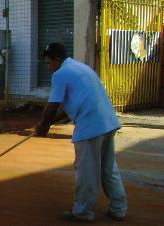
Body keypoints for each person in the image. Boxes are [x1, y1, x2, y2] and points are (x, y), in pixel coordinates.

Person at [35, 43, 127, 223]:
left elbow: (53, 105)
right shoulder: (79, 67)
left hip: (91, 126)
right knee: (108, 169)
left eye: (49, 63)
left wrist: (43, 126)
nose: (48, 67)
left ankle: (83, 212)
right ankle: (119, 209)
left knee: (87, 171)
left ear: (56, 59)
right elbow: (66, 108)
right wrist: (48, 124)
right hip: (107, 122)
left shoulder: (60, 74)